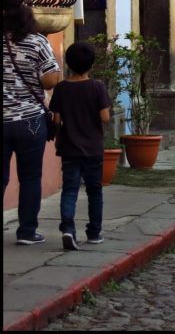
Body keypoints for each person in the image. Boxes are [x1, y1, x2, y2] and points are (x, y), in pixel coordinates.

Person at [3, 0, 62, 245]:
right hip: (30, 121)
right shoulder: (37, 41)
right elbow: (49, 81)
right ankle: (27, 232)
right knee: (29, 177)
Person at [49, 41, 111, 250]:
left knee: (69, 190)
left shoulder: (61, 88)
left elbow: (56, 120)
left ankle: (68, 228)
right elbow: (105, 117)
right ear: (91, 64)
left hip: (69, 147)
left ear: (68, 63)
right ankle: (94, 233)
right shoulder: (97, 87)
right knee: (94, 191)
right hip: (92, 148)